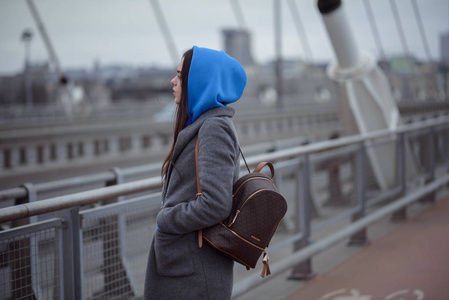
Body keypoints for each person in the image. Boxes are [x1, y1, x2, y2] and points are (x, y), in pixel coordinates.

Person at [144, 46, 247, 299]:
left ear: (198, 81)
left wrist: (165, 220)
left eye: (180, 76)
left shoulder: (213, 128)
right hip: (186, 264)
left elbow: (216, 204)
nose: (173, 81)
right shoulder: (202, 124)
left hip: (194, 270)